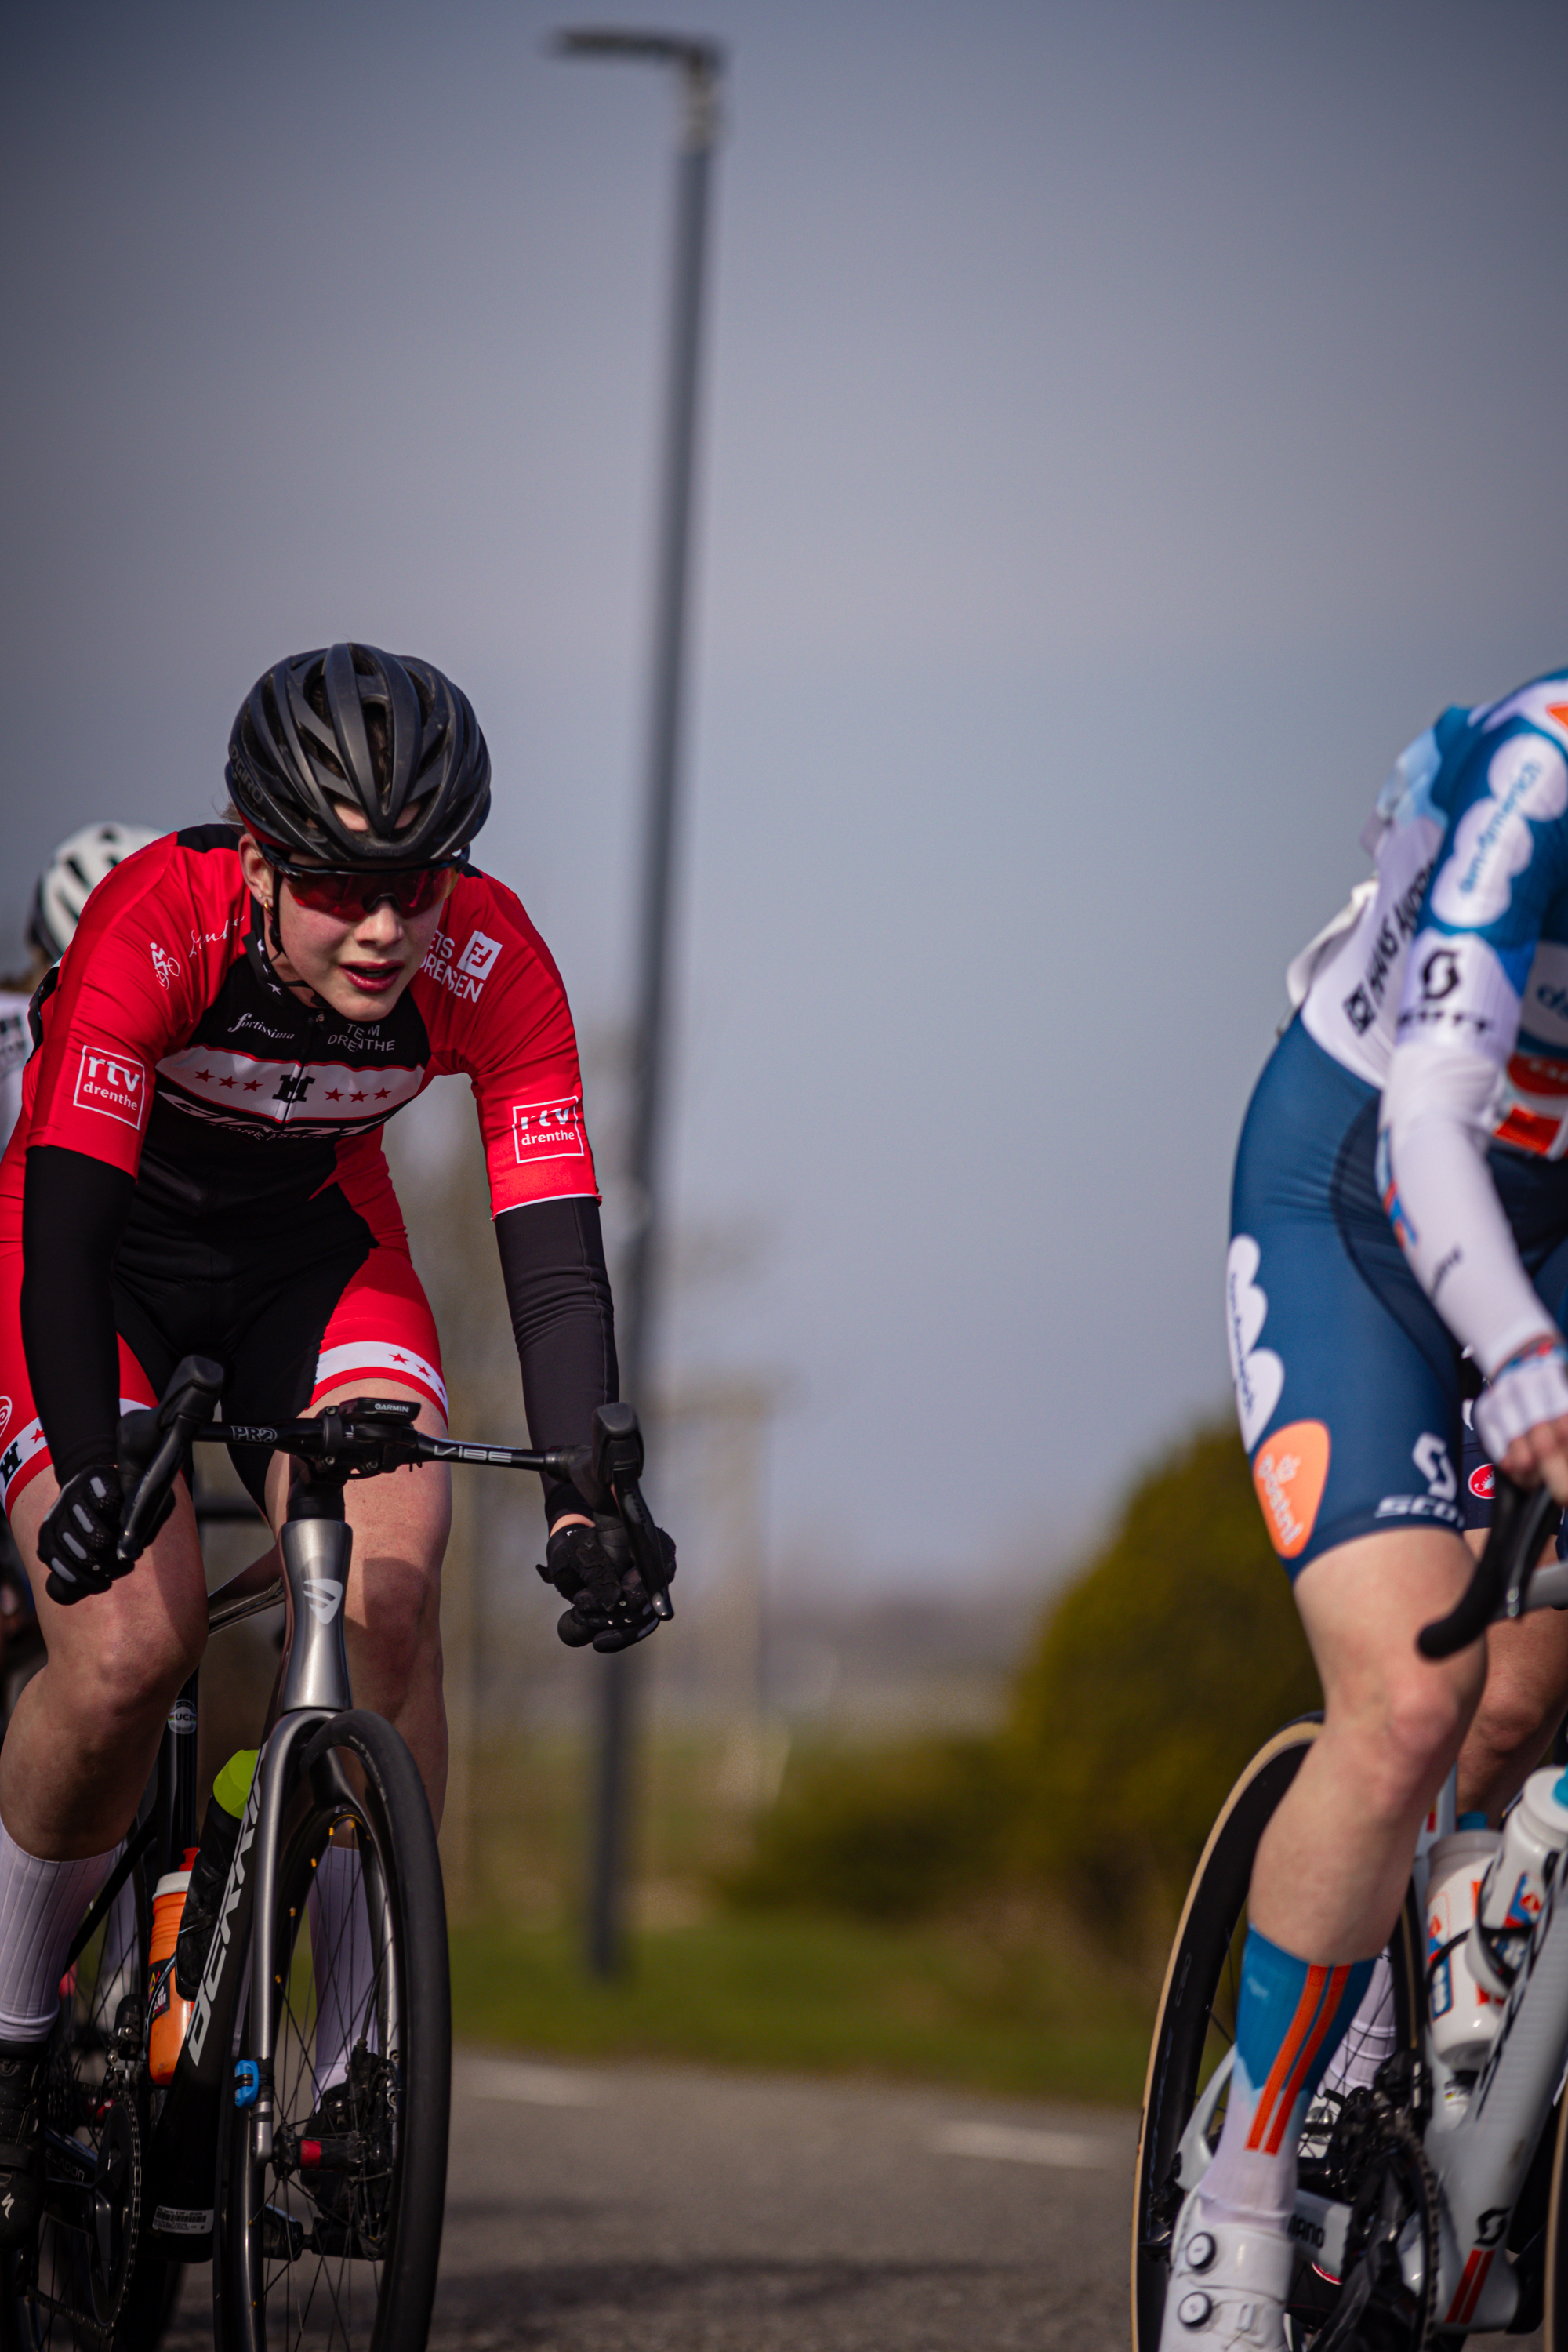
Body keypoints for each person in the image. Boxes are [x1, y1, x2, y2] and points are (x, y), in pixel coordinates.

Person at [0, 643, 669, 2242]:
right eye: (342, 884)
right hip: (105, 1270)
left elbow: (554, 1247)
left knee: (391, 1592)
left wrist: (591, 1494)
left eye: (417, 882)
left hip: (316, 1255)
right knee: (124, 1648)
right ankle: (16, 2044)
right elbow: (66, 1228)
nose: (385, 925)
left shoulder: (491, 957)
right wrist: (95, 1466)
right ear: (255, 853)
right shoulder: (153, 919)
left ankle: (363, 2072)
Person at [1163, 669, 1568, 2349]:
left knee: (1528, 1695)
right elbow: (1424, 1120)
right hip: (1370, 1192)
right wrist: (1525, 1370)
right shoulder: (1546, 765)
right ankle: (1242, 2204)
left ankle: (1458, 1987)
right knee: (1415, 1695)